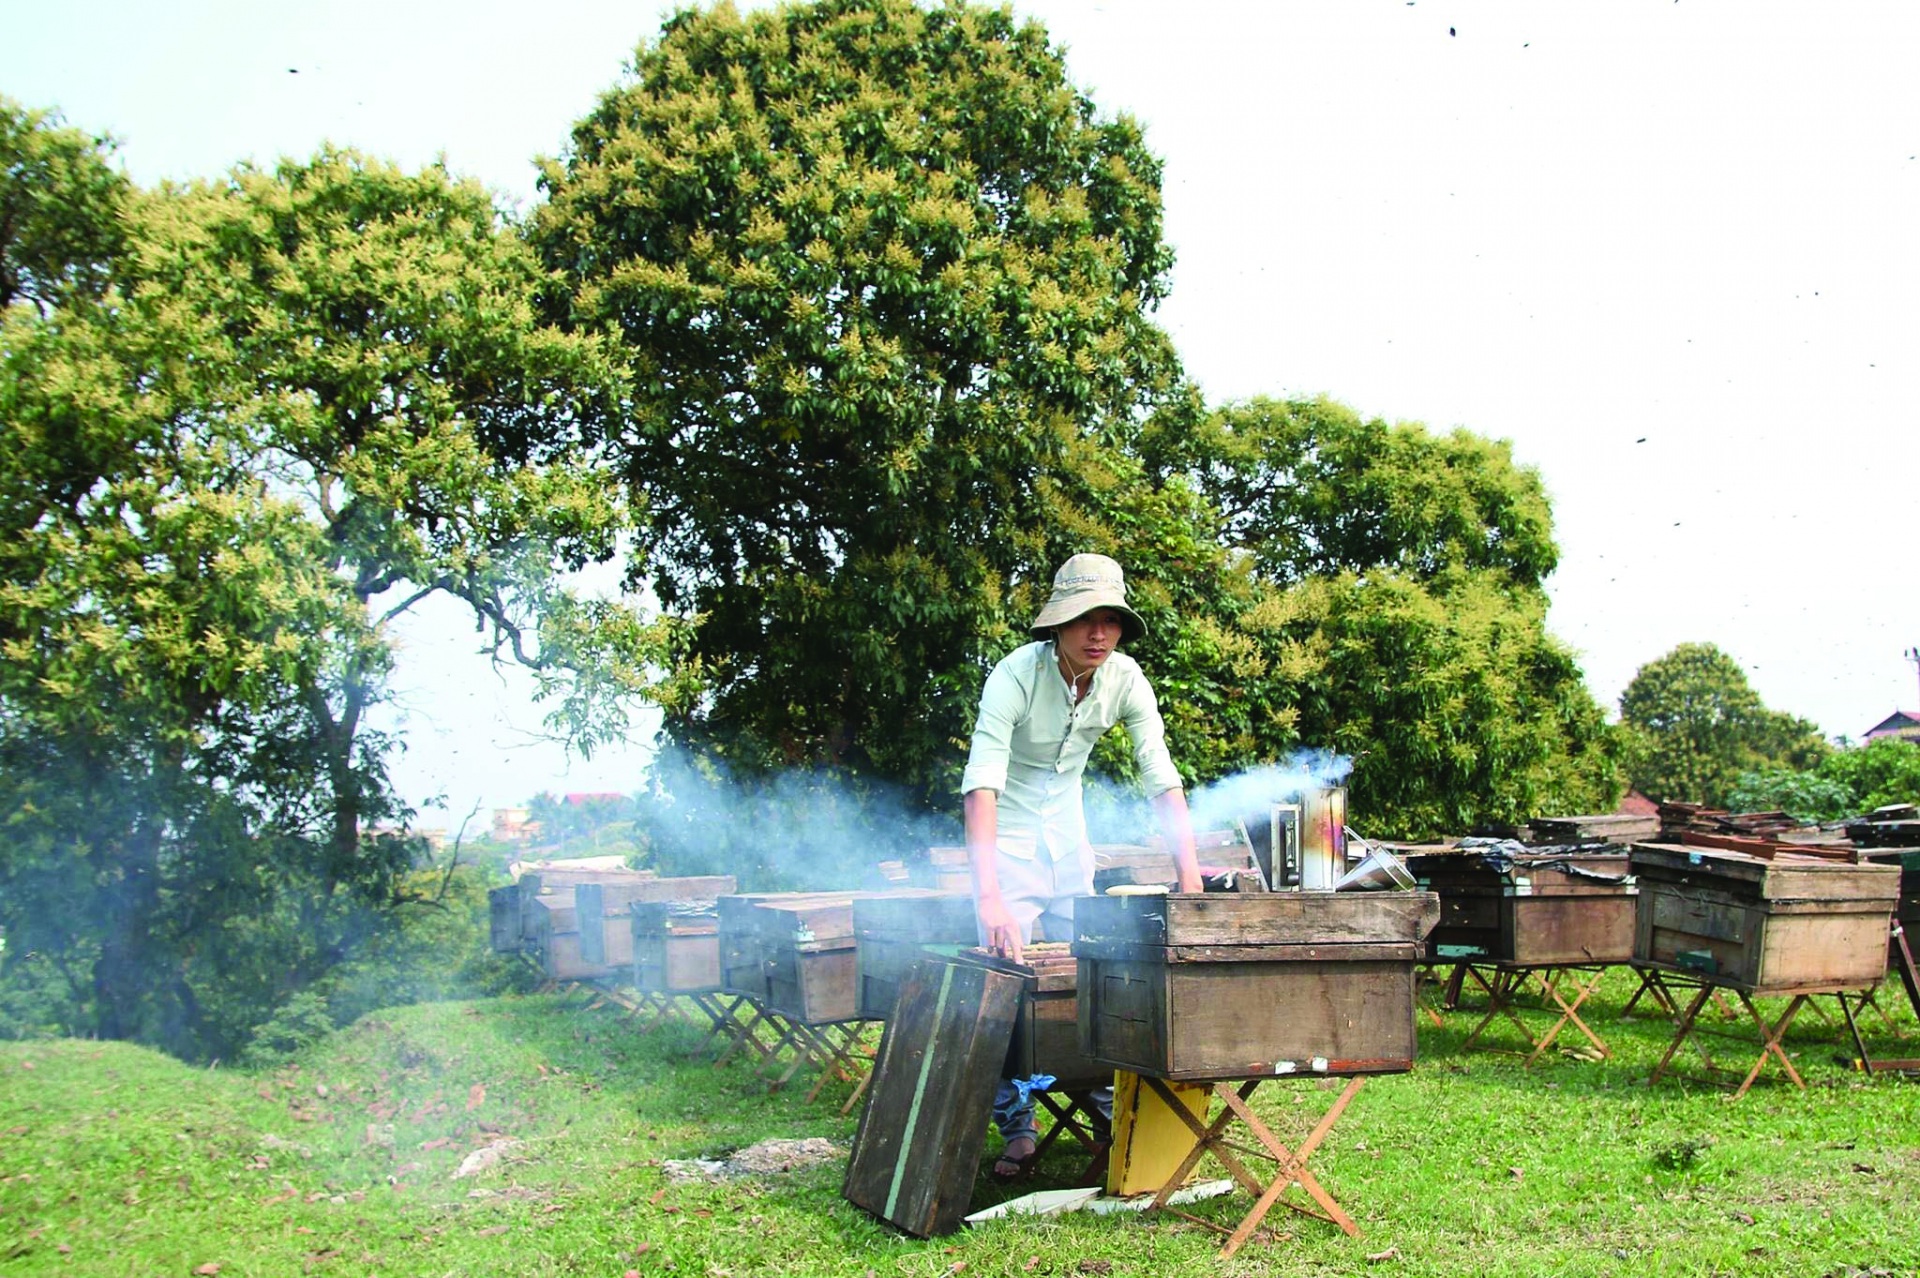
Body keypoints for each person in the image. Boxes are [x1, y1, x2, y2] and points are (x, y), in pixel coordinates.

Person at [959, 552, 1202, 1180]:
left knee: (1094, 981)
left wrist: (1192, 874)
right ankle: (1017, 1128)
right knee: (1005, 988)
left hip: (1071, 849)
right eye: (1086, 620)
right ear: (1058, 625)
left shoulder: (1126, 679)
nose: (1099, 633)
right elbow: (980, 784)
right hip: (1008, 853)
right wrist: (988, 897)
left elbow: (1160, 776)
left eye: (1111, 620)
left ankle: (1102, 1113)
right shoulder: (1013, 676)